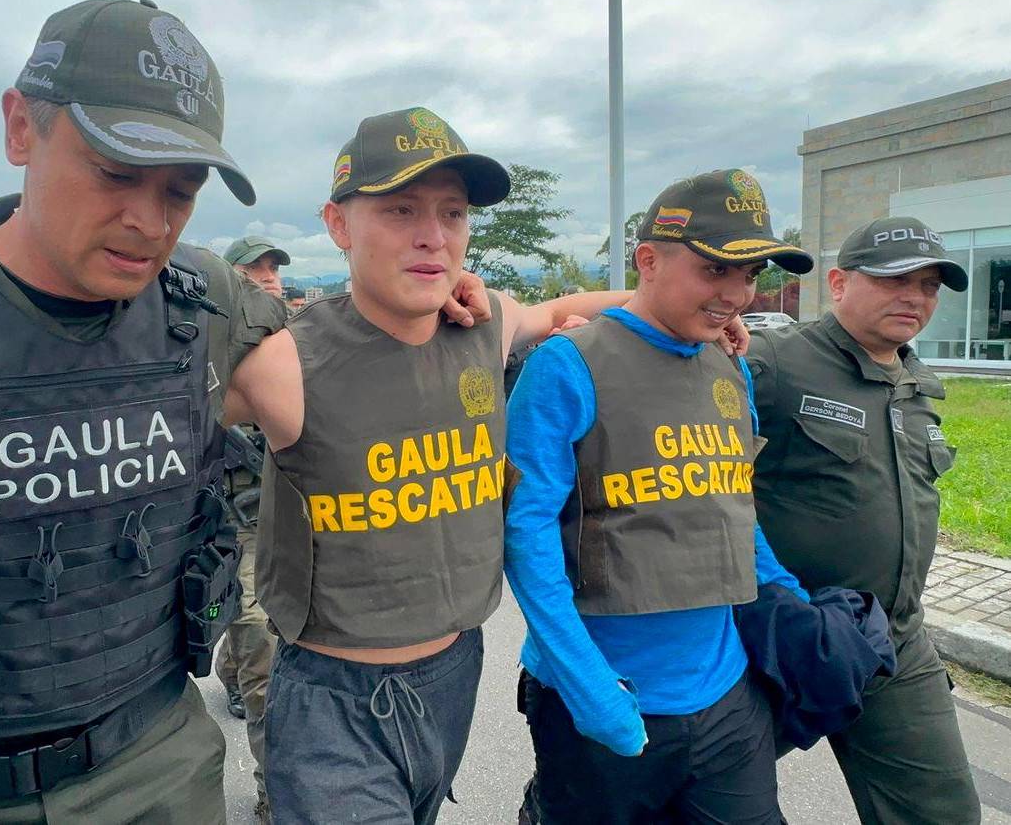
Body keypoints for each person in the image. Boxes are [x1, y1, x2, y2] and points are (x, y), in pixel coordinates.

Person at [223, 106, 639, 825]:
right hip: (333, 700)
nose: (433, 235)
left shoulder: (483, 328)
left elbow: (560, 308)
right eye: (401, 210)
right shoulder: (288, 360)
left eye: (453, 213)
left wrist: (685, 309)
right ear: (337, 224)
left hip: (455, 671)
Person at [0, 0, 289, 822]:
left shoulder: (205, 299)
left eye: (181, 192)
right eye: (115, 173)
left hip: (158, 765)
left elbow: (344, 393)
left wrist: (464, 302)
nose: (149, 223)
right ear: (20, 128)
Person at [505, 169, 815, 824]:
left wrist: (793, 602)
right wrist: (589, 687)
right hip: (602, 698)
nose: (736, 294)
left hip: (727, 698)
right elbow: (527, 530)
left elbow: (733, 502)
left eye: (750, 272)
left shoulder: (729, 365)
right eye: (714, 272)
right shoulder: (567, 366)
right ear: (648, 260)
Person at [747, 216, 981, 825]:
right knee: (679, 796)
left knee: (945, 814)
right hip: (778, 641)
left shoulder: (916, 384)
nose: (915, 297)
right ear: (840, 283)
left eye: (929, 285)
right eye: (895, 278)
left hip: (892, 643)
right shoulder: (772, 361)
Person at [213, 235, 292, 822]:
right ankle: (276, 795)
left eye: (274, 270)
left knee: (263, 643)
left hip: (294, 524)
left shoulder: (301, 344)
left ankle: (230, 668)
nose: (267, 279)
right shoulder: (207, 353)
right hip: (237, 529)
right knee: (264, 653)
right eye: (252, 270)